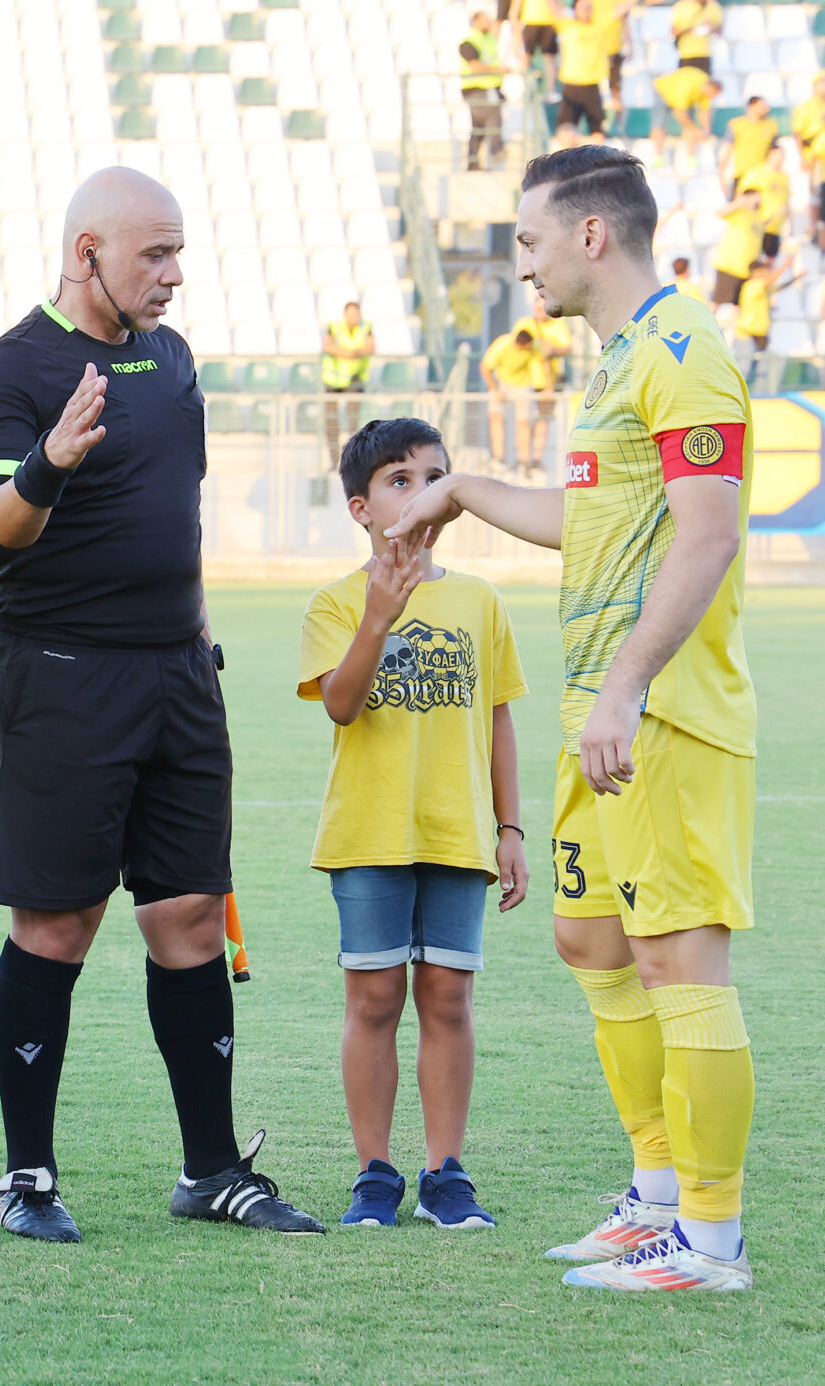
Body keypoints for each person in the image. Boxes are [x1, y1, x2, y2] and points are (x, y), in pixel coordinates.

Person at [390, 144, 760, 1293]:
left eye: (528, 238)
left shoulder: (684, 351)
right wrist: (456, 490)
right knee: (589, 941)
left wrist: (625, 684)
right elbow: (581, 521)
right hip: (600, 710)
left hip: (661, 710)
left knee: (676, 958)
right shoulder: (613, 367)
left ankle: (708, 1240)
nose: (521, 261)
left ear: (590, 235)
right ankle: (654, 1201)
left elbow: (706, 533)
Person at [0, 166, 324, 1243]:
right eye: (150, 255)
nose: (170, 276)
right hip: (61, 678)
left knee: (185, 916)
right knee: (58, 923)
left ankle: (209, 1170)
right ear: (86, 255)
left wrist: (198, 629)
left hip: (176, 673)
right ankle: (26, 1175)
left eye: (176, 254)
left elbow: (181, 510)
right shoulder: (13, 369)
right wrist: (48, 463)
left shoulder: (169, 360)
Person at [299, 418, 528, 1230]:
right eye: (401, 479)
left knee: (448, 999)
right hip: (369, 833)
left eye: (435, 475)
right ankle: (374, 1173)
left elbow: (498, 719)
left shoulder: (478, 599)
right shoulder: (335, 601)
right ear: (361, 507)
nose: (423, 490)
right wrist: (379, 613)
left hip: (457, 833)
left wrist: (511, 829)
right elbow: (340, 702)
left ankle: (445, 1172)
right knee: (372, 1001)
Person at [513, 290, 574, 479]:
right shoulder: (524, 325)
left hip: (549, 382)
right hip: (525, 380)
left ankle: (536, 459)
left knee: (543, 420)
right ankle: (522, 459)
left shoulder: (558, 324)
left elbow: (567, 347)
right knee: (522, 420)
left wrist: (552, 350)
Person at [480, 327, 544, 474]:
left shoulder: (533, 348)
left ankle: (523, 460)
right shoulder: (502, 344)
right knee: (496, 417)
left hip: (522, 385)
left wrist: (545, 388)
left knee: (523, 421)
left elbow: (541, 368)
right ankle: (498, 458)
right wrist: (494, 389)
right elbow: (485, 367)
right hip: (501, 383)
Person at [549, 0, 611, 146]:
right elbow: (553, 8)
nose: (586, 10)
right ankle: (584, 146)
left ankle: (587, 148)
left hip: (592, 85)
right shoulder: (568, 26)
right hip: (572, 85)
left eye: (589, 7)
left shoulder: (599, 26)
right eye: (583, 7)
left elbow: (619, 11)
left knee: (598, 133)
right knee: (564, 133)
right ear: (575, 9)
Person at [321, 302, 376, 468]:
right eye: (351, 314)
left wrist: (350, 353)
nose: (354, 318)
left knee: (353, 423)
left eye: (356, 314)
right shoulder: (334, 327)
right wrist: (349, 353)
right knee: (331, 422)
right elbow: (328, 345)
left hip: (354, 378)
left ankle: (352, 461)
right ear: (345, 314)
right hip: (333, 380)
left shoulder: (365, 327)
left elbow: (370, 346)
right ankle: (334, 461)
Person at [710, 187, 766, 329]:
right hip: (731, 265)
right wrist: (739, 203)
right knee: (717, 302)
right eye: (756, 197)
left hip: (747, 269)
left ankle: (734, 339)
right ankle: (705, 329)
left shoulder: (758, 219)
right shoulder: (739, 213)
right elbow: (719, 213)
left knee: (739, 306)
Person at [460, 11, 508, 171]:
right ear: (476, 21)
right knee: (492, 114)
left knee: (478, 128)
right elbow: (475, 66)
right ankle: (497, 149)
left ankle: (473, 163)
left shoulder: (488, 40)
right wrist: (498, 70)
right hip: (477, 89)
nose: (489, 23)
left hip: (488, 88)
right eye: (486, 20)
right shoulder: (469, 42)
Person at [731, 253, 804, 358]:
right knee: (745, 367)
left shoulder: (763, 287)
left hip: (761, 332)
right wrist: (785, 265)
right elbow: (769, 280)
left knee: (760, 369)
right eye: (763, 270)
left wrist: (796, 278)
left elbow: (781, 287)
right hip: (747, 333)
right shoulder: (751, 286)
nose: (766, 272)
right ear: (756, 272)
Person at [651, 68, 720, 164]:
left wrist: (706, 130)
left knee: (691, 125)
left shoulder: (705, 89)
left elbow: (704, 112)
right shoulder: (687, 88)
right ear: (710, 89)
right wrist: (697, 131)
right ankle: (658, 157)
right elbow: (679, 114)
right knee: (659, 124)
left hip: (684, 97)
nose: (713, 98)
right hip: (663, 91)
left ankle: (691, 158)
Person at [735, 142, 789, 259]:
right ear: (770, 155)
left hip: (776, 228)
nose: (781, 159)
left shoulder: (784, 177)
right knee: (756, 263)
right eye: (778, 156)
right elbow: (744, 196)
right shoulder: (757, 173)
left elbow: (786, 203)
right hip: (759, 225)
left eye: (782, 156)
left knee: (769, 264)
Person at [721, 97, 780, 198]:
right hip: (742, 174)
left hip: (762, 176)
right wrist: (721, 176)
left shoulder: (771, 125)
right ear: (751, 107)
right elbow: (727, 150)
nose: (766, 109)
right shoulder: (737, 124)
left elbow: (775, 152)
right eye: (762, 106)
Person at [520, 0, 560, 98]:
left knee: (549, 57)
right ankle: (522, 89)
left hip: (549, 21)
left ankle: (551, 89)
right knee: (527, 56)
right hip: (530, 20)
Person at [669, 0, 720, 75]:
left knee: (704, 83)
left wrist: (710, 28)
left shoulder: (713, 5)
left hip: (705, 53)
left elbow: (719, 30)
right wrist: (690, 29)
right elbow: (674, 31)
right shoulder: (681, 6)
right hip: (686, 54)